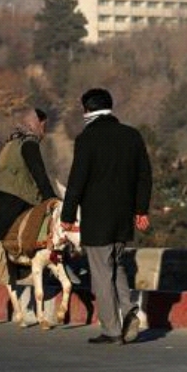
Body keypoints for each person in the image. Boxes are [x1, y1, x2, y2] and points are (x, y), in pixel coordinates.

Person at [60, 88, 153, 345]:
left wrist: (67, 214)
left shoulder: (87, 139)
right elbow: (144, 175)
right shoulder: (131, 136)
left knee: (101, 273)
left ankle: (111, 330)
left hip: (97, 217)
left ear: (88, 109)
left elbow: (77, 180)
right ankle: (130, 309)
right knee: (116, 265)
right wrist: (141, 209)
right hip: (124, 216)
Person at [0, 108, 58, 246]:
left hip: (4, 190)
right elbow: (39, 173)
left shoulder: (12, 141)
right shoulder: (29, 143)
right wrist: (51, 198)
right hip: (18, 194)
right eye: (43, 126)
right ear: (35, 123)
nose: (44, 132)